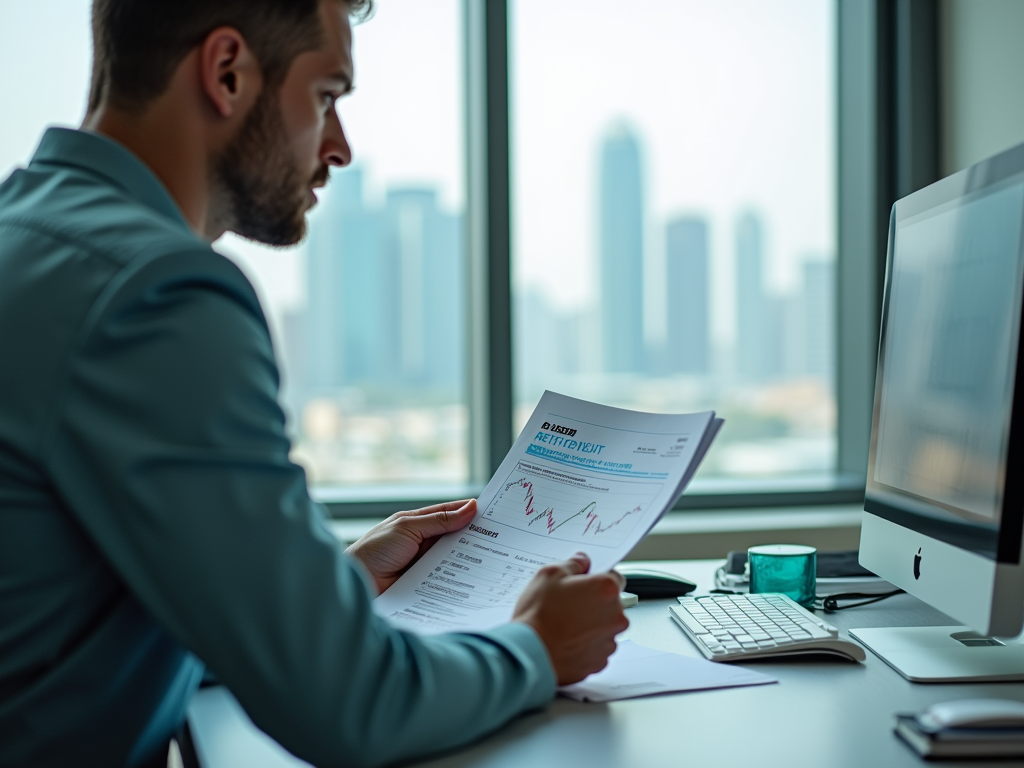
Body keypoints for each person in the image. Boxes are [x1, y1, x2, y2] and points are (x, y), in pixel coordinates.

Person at [0, 1, 629, 766]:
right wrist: (535, 647)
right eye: (327, 95)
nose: (341, 147)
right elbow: (350, 706)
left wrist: (333, 582)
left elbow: (78, 605)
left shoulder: (25, 234)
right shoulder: (156, 293)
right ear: (226, 72)